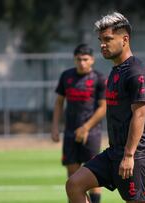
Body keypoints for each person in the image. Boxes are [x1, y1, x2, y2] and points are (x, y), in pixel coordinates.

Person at [65, 12, 145, 203]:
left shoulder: (136, 72)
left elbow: (139, 116)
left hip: (138, 154)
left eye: (108, 39)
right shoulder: (116, 70)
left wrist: (129, 155)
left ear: (125, 40)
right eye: (101, 39)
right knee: (74, 184)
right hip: (114, 152)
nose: (102, 44)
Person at [51, 44, 106, 203]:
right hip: (70, 133)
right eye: (78, 59)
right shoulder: (66, 76)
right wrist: (55, 127)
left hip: (92, 133)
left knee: (94, 175)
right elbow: (59, 103)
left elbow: (103, 107)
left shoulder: (99, 78)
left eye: (85, 59)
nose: (82, 63)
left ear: (92, 60)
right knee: (73, 178)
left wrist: (86, 127)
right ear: (74, 60)